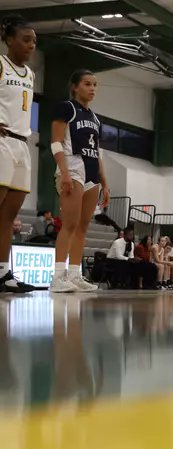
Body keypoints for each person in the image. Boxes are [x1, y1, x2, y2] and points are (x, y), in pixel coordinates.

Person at [49, 69, 109, 293]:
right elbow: (56, 142)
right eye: (87, 84)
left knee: (83, 227)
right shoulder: (66, 107)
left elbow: (97, 152)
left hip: (91, 171)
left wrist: (105, 183)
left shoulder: (95, 118)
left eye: (95, 84)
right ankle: (57, 277)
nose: (92, 88)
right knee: (70, 224)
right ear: (75, 87)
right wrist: (64, 172)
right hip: (72, 167)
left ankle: (75, 274)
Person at [0, 14, 36, 294]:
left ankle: (2, 272)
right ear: (9, 39)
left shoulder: (30, 74)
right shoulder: (0, 64)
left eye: (34, 41)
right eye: (26, 40)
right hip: (2, 141)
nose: (31, 45)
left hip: (23, 144)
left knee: (9, 216)